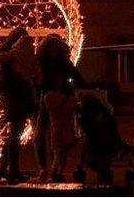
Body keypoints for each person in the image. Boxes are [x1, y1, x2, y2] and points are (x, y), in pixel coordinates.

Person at [34, 34, 86, 182]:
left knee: (50, 136)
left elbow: (78, 79)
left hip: (51, 101)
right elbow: (79, 80)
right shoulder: (60, 63)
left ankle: (49, 168)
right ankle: (52, 169)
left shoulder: (46, 62)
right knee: (54, 137)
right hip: (54, 102)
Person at [0, 29, 38, 184]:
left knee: (14, 135)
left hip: (14, 102)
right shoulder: (14, 61)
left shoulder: (6, 60)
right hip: (19, 102)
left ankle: (4, 169)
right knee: (15, 136)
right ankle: (12, 171)